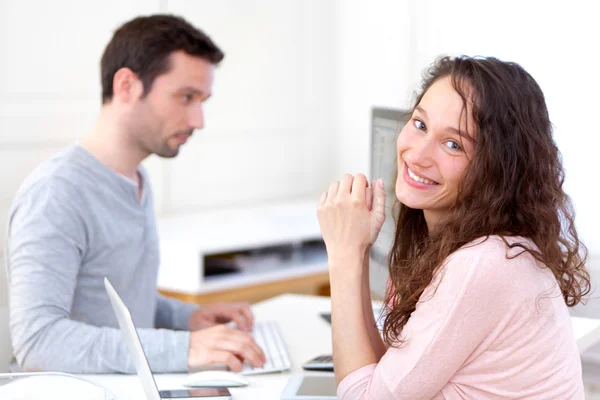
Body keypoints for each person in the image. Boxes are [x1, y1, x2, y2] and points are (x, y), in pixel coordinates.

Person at [317, 56, 591, 399]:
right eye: (419, 124)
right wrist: (354, 252)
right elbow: (388, 376)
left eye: (453, 144)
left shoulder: (485, 262)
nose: (417, 155)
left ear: (496, 169)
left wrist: (342, 255)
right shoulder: (464, 246)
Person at [5, 14, 266, 374]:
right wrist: (182, 348)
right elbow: (39, 343)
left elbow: (117, 303)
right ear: (127, 85)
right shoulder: (55, 194)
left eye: (202, 100)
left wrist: (186, 318)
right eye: (186, 97)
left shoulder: (136, 178)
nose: (198, 120)